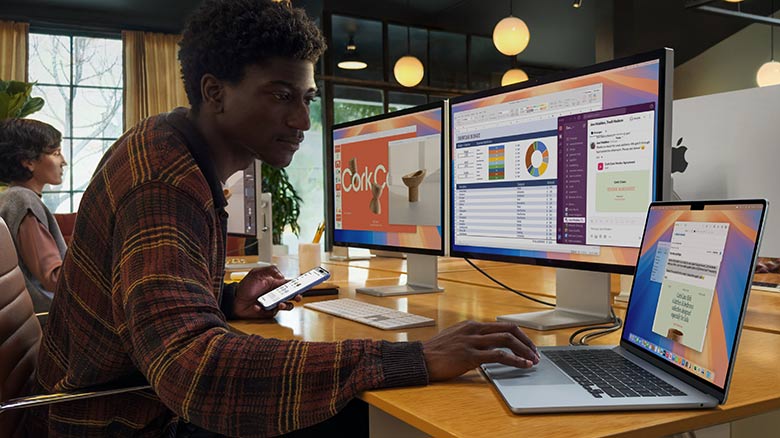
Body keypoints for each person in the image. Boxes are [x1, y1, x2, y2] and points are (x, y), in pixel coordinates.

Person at [33, 1, 540, 436]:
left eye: (307, 98)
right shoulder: (165, 180)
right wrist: (414, 357)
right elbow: (192, 370)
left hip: (127, 398)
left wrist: (228, 299)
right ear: (215, 92)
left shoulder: (167, 146)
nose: (301, 120)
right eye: (281, 95)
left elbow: (147, 309)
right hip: (119, 420)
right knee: (393, 419)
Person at [0, 118, 67, 314]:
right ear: (28, 161)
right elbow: (53, 279)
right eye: (55, 153)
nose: (64, 161)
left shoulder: (11, 197)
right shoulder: (22, 201)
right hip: (49, 318)